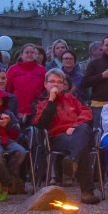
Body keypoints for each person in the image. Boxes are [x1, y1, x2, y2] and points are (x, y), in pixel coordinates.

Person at [32, 68, 100, 204]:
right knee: (83, 147)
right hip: (57, 137)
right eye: (52, 81)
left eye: (59, 82)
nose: (55, 85)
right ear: (45, 84)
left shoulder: (72, 98)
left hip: (77, 132)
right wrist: (51, 100)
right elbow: (41, 124)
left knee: (84, 130)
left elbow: (87, 114)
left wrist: (74, 127)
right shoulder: (39, 102)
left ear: (64, 85)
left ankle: (72, 160)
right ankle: (86, 192)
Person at [5, 43, 47, 124]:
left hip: (36, 111)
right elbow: (8, 91)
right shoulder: (12, 70)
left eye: (32, 53)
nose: (30, 55)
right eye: (27, 52)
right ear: (21, 55)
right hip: (17, 111)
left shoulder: (42, 70)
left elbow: (45, 91)